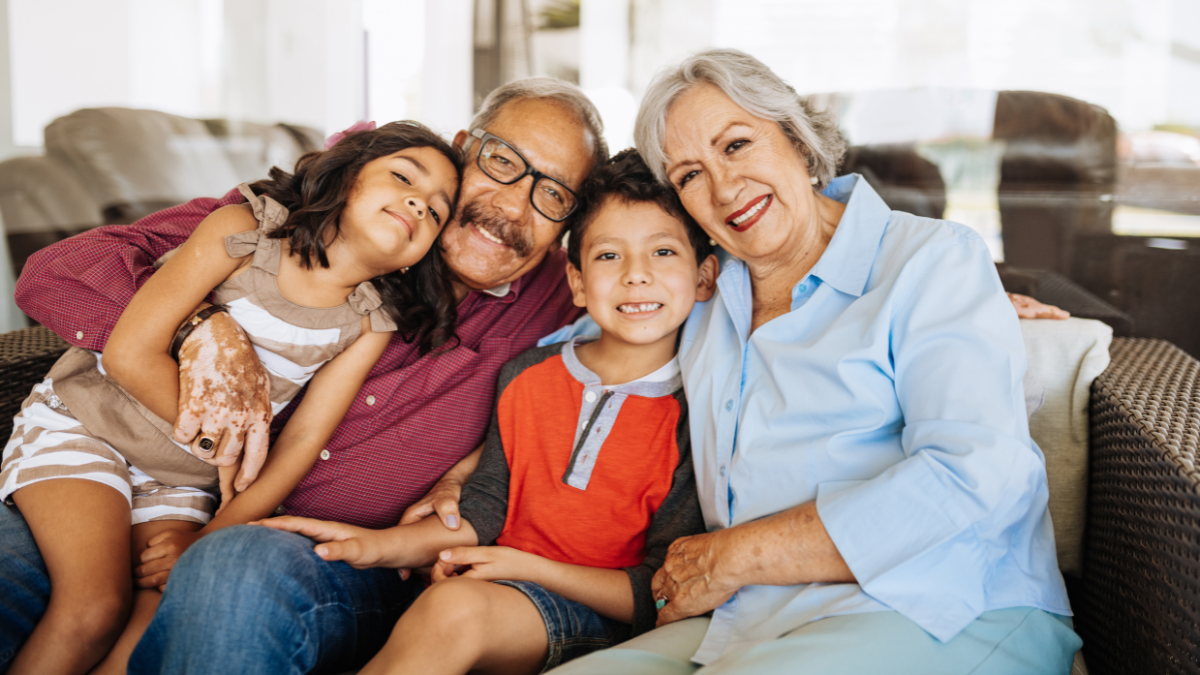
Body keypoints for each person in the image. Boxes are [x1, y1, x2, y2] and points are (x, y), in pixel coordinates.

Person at [1, 78, 604, 675]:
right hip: (125, 458)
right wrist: (202, 329)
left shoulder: (565, 293)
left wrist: (468, 473)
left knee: (226, 574)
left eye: (554, 196)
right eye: (503, 162)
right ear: (463, 147)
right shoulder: (304, 220)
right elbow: (56, 275)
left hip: (327, 558)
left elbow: (654, 284)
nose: (512, 206)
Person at [544, 49, 1082, 674]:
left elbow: (976, 477)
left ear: (797, 139)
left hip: (942, 606)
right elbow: (583, 341)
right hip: (755, 617)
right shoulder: (701, 287)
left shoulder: (931, 263)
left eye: (737, 145)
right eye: (689, 175)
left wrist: (733, 556)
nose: (722, 187)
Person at [257, 148, 717, 675]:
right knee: (443, 606)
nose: (637, 275)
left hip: (593, 614)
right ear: (578, 283)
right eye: (609, 256)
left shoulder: (695, 413)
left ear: (705, 277)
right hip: (486, 585)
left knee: (456, 610)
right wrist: (377, 547)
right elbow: (482, 510)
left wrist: (525, 568)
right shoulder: (527, 374)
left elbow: (658, 590)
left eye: (663, 253)